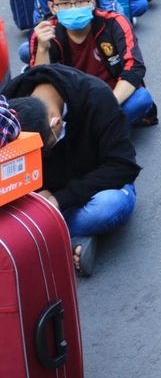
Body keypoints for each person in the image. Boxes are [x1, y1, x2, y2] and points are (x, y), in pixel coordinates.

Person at [6, 65, 141, 276]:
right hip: (40, 195)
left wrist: (58, 201)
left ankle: (36, 239)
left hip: (96, 189)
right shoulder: (9, 101)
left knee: (109, 207)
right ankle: (66, 235)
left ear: (56, 123)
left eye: (44, 150)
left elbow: (123, 166)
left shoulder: (96, 96)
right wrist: (38, 192)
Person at [29, 0, 156, 126]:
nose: (74, 8)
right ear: (52, 7)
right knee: (36, 109)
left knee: (141, 100)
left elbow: (134, 68)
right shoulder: (45, 31)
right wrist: (42, 48)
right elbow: (40, 83)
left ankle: (88, 132)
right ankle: (101, 131)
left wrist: (108, 105)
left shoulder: (114, 22)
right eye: (65, 3)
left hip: (112, 97)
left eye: (81, 1)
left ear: (93, 2)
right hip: (70, 104)